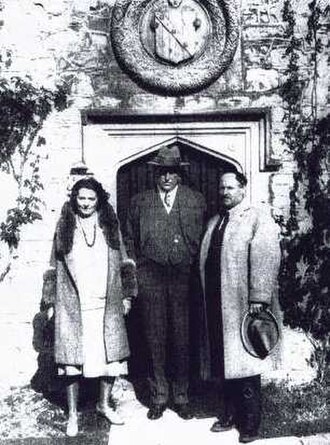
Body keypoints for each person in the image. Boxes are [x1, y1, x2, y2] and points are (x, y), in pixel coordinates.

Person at [48, 177, 137, 437]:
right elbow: (52, 265)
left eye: (91, 198)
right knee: (72, 360)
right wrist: (51, 301)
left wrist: (127, 296)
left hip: (105, 303)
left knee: (109, 358)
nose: (86, 203)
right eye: (81, 198)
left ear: (98, 200)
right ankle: (73, 414)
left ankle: (103, 404)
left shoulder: (110, 225)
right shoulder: (65, 225)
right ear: (75, 199)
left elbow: (123, 261)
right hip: (73, 304)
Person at [125, 144, 206, 420]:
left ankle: (181, 396)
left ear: (179, 175)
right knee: (154, 337)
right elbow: (129, 241)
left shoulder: (196, 200)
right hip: (151, 279)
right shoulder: (140, 202)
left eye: (171, 172)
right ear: (155, 174)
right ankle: (158, 395)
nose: (167, 178)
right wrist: (135, 276)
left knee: (183, 338)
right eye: (162, 172)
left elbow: (205, 239)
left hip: (185, 278)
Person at [199, 171, 281, 443]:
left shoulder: (257, 218)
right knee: (224, 365)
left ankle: (250, 424)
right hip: (216, 304)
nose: (225, 192)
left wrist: (259, 296)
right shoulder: (216, 221)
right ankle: (228, 414)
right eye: (222, 188)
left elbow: (266, 256)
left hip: (242, 305)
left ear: (243, 189)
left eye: (231, 187)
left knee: (246, 365)